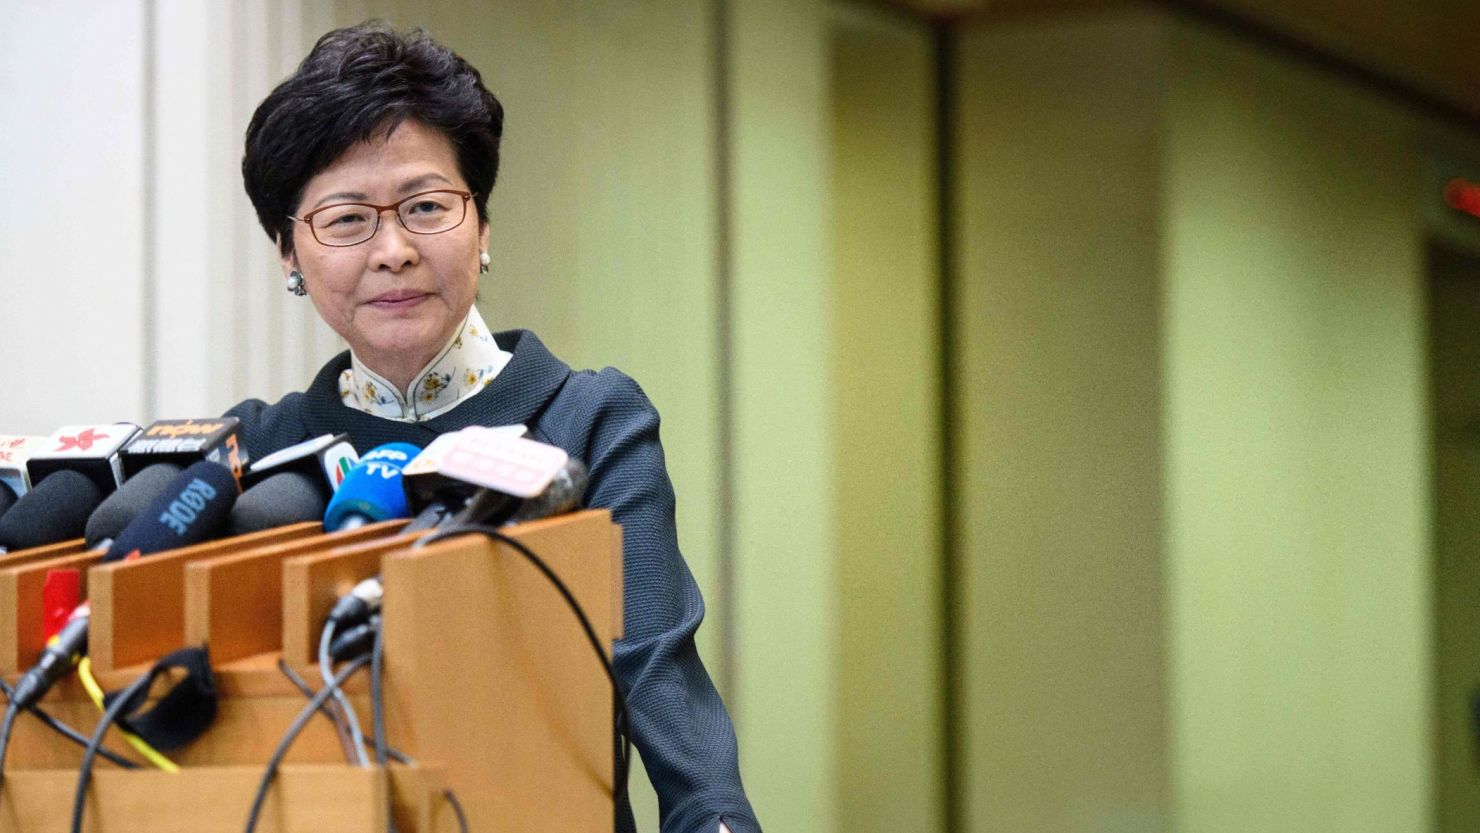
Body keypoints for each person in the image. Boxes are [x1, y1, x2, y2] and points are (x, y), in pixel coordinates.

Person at [227, 21, 759, 833]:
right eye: (345, 220)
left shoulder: (588, 422)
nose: (394, 249)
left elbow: (664, 688)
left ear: (483, 226)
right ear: (287, 253)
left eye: (427, 206)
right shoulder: (261, 452)